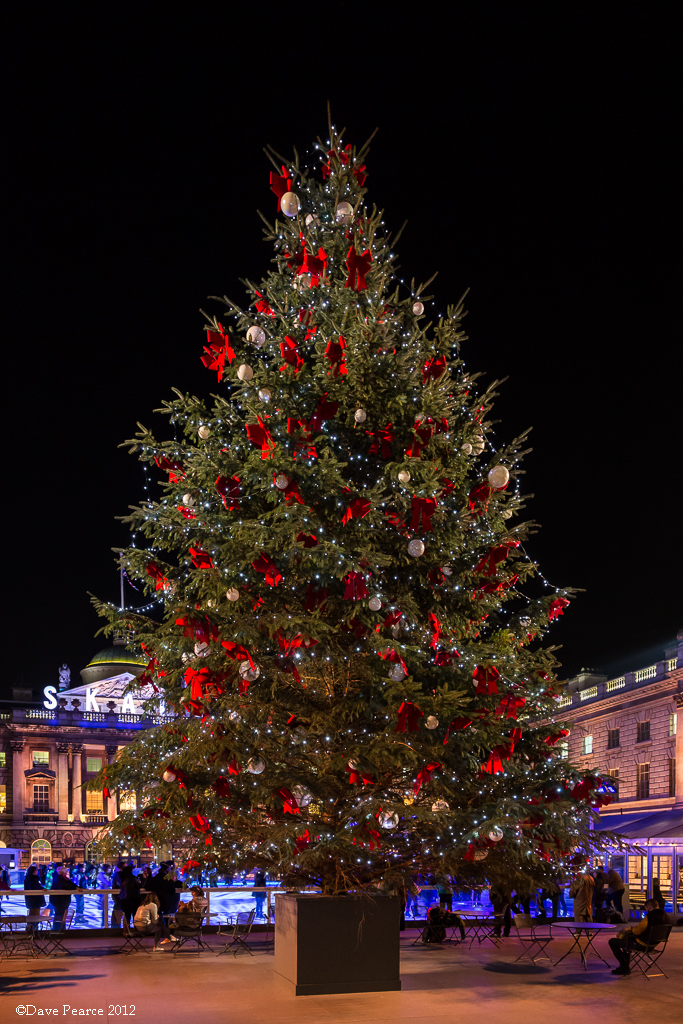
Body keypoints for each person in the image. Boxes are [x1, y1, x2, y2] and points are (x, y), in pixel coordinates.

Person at [608, 898, 667, 975]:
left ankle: (624, 966)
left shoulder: (650, 916)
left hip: (642, 944)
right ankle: (625, 966)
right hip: (653, 944)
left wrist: (631, 929)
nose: (646, 910)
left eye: (646, 908)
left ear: (649, 907)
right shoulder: (666, 917)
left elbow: (637, 931)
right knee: (626, 942)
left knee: (613, 942)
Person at [48, 865, 82, 931]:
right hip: (59, 901)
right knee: (59, 915)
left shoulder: (63, 878)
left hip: (61, 901)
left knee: (61, 915)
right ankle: (58, 930)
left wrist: (76, 887)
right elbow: (64, 886)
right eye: (66, 871)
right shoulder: (59, 878)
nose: (67, 872)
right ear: (63, 872)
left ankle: (60, 929)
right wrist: (73, 888)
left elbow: (70, 884)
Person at [23, 864, 46, 930]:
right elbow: (33, 887)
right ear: (34, 871)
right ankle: (32, 930)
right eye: (36, 870)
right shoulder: (31, 879)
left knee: (34, 915)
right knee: (34, 915)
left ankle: (32, 929)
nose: (37, 872)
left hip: (33, 901)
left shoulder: (31, 878)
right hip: (34, 901)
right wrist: (41, 889)